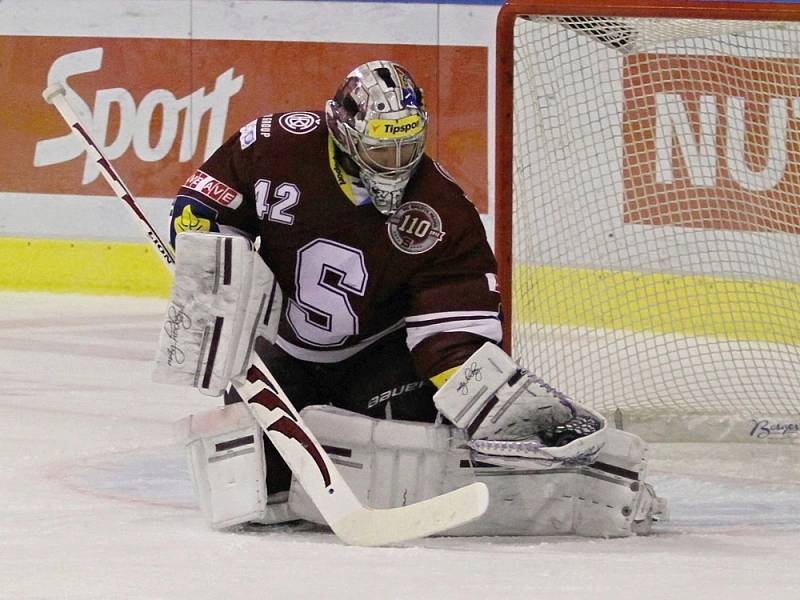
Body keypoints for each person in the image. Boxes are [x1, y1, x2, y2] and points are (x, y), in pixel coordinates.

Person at [160, 60, 666, 537]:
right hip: (283, 356)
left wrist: (484, 397)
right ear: (343, 132)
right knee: (256, 495)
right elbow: (206, 203)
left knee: (417, 455)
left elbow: (452, 333)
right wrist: (201, 251)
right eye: (382, 150)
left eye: (409, 147)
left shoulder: (442, 211)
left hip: (380, 361)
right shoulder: (274, 144)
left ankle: (578, 485)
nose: (398, 164)